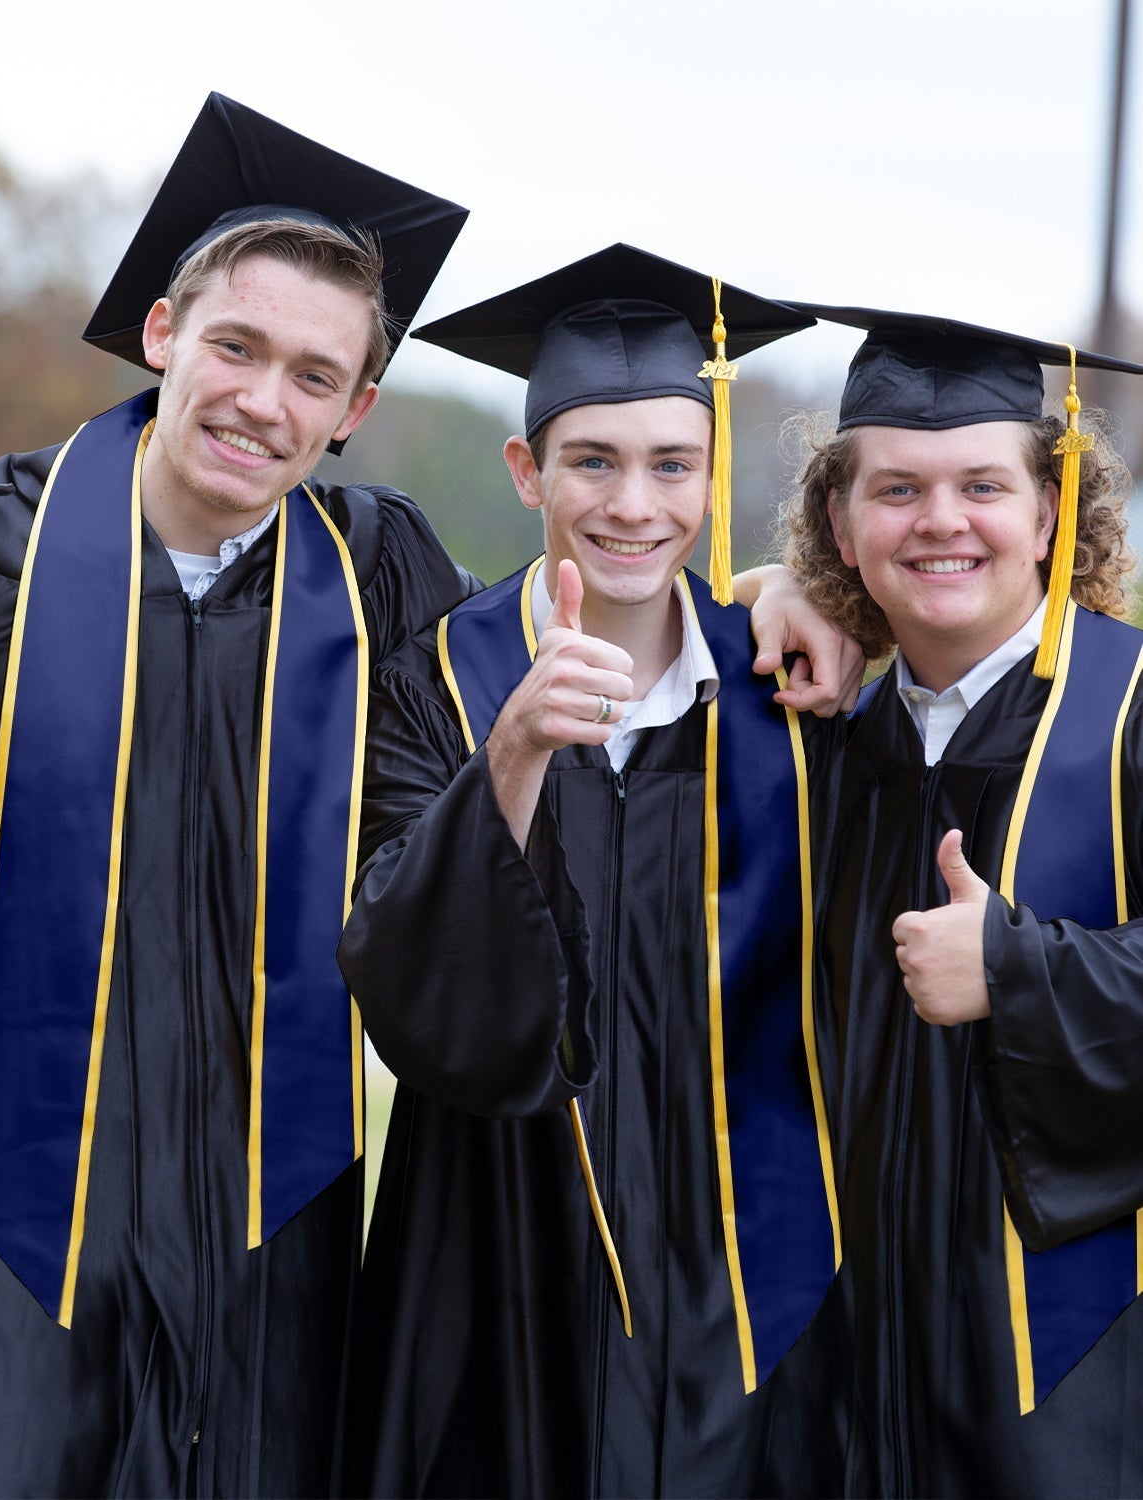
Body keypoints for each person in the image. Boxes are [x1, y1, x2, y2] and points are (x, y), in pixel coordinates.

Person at [0, 95, 473, 1497]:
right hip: (14, 1190)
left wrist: (786, 613)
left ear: (354, 413)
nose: (264, 401)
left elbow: (539, 721)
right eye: (236, 346)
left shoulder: (378, 573)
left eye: (313, 376)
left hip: (271, 1204)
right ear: (163, 334)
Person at [336, 245, 854, 1498]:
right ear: (529, 472)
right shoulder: (436, 679)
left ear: (714, 471)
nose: (636, 504)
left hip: (741, 1278)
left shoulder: (791, 692)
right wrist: (512, 749)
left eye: (673, 464)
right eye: (593, 461)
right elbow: (403, 981)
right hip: (496, 1260)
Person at [777, 306, 1143, 1496]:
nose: (941, 522)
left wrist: (1020, 969)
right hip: (853, 1379)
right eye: (897, 490)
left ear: (1049, 508)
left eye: (982, 485)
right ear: (839, 520)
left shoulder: (1132, 712)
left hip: (1086, 1374)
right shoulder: (814, 740)